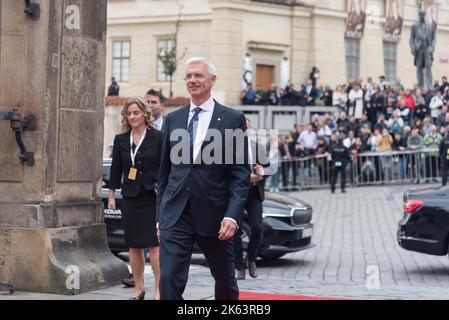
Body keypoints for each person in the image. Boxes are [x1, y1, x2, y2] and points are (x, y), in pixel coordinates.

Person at [156, 57, 250, 300]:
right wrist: (160, 218)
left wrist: (232, 215)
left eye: (198, 75)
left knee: (225, 280)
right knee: (167, 279)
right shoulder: (173, 119)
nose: (192, 80)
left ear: (212, 80)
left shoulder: (232, 119)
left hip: (215, 215)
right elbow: (164, 174)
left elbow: (240, 174)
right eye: (188, 76)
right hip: (176, 214)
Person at [108, 97, 162, 300]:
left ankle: (159, 289)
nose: (132, 117)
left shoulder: (158, 137)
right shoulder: (121, 139)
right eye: (129, 113)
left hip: (152, 196)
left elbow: (165, 168)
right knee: (133, 244)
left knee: (154, 244)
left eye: (136, 113)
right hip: (130, 197)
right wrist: (112, 194)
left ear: (144, 114)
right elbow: (116, 169)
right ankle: (138, 288)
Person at [234, 119, 268, 280]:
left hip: (254, 194)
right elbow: (228, 174)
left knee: (257, 228)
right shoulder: (230, 149)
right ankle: (239, 265)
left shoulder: (258, 147)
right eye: (243, 128)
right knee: (235, 230)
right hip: (237, 194)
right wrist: (248, 178)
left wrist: (262, 171)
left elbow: (267, 167)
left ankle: (252, 259)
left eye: (248, 128)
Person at [409, 9, 436, 89]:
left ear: (425, 15)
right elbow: (411, 39)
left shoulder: (430, 25)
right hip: (419, 48)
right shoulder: (414, 26)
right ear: (419, 15)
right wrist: (412, 48)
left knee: (428, 66)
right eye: (420, 15)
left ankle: (430, 85)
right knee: (419, 67)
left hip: (427, 48)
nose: (422, 16)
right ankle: (420, 85)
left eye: (423, 15)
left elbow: (434, 38)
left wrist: (432, 47)